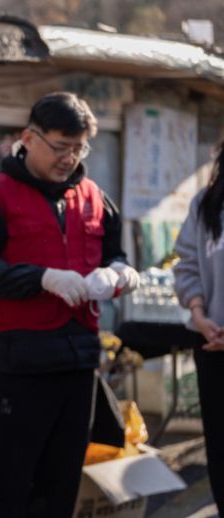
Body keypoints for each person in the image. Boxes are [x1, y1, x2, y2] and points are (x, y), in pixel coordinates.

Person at [0, 92, 140, 518]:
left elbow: (116, 254)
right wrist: (42, 278)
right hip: (21, 365)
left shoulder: (94, 196)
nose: (69, 158)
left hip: (79, 363)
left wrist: (118, 273)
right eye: (60, 147)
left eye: (78, 148)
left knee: (62, 486)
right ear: (29, 138)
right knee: (10, 487)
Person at [173, 141, 224, 513]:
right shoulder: (208, 204)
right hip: (212, 345)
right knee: (220, 452)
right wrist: (198, 313)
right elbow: (187, 264)